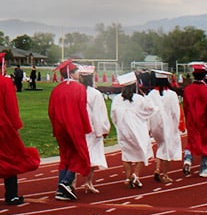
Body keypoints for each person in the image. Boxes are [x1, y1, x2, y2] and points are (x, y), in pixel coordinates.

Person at [0, 52, 40, 206]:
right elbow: (11, 108)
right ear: (2, 66)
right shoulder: (6, 83)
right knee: (11, 158)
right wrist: (16, 125)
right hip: (4, 128)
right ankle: (11, 195)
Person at [47, 59, 91, 201]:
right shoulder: (79, 89)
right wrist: (86, 127)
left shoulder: (56, 90)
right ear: (70, 74)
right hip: (74, 126)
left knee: (65, 157)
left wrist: (55, 126)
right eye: (76, 71)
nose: (78, 73)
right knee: (78, 155)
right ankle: (65, 182)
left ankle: (61, 188)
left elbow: (51, 111)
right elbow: (82, 110)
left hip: (60, 128)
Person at [110, 71, 157, 188]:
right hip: (138, 129)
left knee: (127, 154)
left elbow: (113, 115)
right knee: (142, 152)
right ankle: (135, 175)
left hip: (123, 130)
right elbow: (151, 109)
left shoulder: (117, 99)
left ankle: (127, 177)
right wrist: (144, 95)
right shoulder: (139, 98)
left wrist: (118, 126)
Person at [76, 65, 109, 193]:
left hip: (79, 127)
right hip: (91, 128)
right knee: (92, 156)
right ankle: (88, 181)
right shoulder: (95, 94)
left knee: (82, 155)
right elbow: (99, 113)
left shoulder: (78, 91)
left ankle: (79, 182)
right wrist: (102, 129)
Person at [182, 63, 207, 177]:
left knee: (192, 142)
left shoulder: (187, 90)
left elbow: (185, 106)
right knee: (206, 144)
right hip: (204, 121)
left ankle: (187, 158)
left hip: (192, 120)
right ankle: (203, 168)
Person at [146, 70, 181, 185]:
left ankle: (157, 168)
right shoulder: (171, 94)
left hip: (155, 124)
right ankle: (164, 173)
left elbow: (148, 111)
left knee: (161, 146)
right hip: (168, 123)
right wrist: (177, 125)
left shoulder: (151, 94)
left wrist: (149, 127)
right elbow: (175, 112)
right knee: (167, 147)